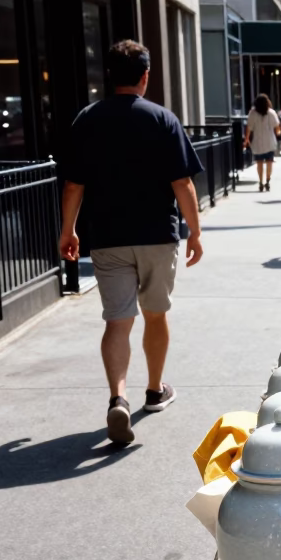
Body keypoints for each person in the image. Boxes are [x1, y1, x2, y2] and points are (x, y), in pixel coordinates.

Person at [59, 39, 204, 445]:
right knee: (155, 315)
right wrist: (194, 230)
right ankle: (155, 390)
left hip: (107, 237)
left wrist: (68, 229)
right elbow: (182, 182)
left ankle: (117, 398)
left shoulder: (87, 119)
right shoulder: (162, 119)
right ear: (145, 76)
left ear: (110, 75)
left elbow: (74, 184)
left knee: (117, 320)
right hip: (157, 234)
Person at [244, 94, 281, 191]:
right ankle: (268, 180)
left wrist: (246, 139)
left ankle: (261, 181)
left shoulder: (252, 113)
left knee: (259, 163)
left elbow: (249, 128)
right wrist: (278, 134)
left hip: (257, 142)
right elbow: (277, 128)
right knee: (269, 162)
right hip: (270, 141)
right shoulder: (271, 113)